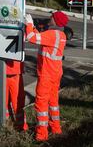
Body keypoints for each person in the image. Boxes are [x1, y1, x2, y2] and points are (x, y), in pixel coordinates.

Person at [24, 11, 68, 141]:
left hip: (47, 75)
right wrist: (35, 29)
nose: (50, 18)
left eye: (52, 17)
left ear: (56, 21)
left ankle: (41, 135)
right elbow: (41, 38)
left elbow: (32, 38)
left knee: (41, 103)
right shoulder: (61, 34)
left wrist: (29, 24)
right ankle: (56, 128)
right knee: (53, 102)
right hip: (56, 73)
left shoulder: (52, 34)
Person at [0, 58, 28, 131]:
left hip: (14, 73)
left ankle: (22, 128)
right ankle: (5, 125)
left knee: (17, 103)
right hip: (3, 71)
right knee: (4, 103)